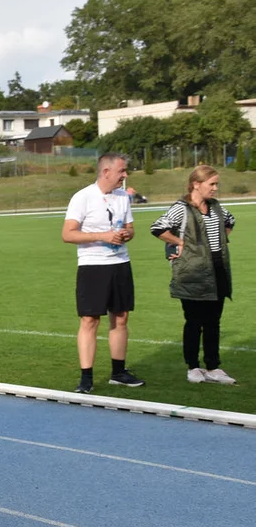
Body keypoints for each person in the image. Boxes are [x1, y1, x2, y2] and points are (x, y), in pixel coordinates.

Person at [61, 153, 145, 394]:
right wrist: (103, 236)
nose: (125, 175)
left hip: (120, 263)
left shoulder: (122, 197)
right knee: (90, 320)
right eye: (122, 171)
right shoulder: (83, 197)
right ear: (106, 171)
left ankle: (118, 372)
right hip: (93, 266)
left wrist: (126, 234)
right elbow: (68, 234)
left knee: (121, 317)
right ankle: (86, 378)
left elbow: (130, 228)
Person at [150, 166, 237, 384]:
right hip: (192, 273)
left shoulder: (216, 207)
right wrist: (180, 243)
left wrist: (218, 243)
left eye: (217, 184)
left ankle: (213, 367)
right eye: (212, 184)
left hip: (217, 271)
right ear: (196, 184)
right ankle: (193, 367)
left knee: (213, 322)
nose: (216, 189)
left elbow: (230, 221)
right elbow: (158, 228)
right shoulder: (182, 208)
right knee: (194, 322)